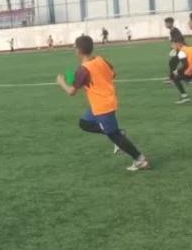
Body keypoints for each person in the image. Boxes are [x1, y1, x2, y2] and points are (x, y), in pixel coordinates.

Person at [56, 35, 150, 171]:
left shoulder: (83, 70)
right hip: (103, 101)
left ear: (79, 51)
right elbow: (112, 74)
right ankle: (118, 133)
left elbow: (71, 92)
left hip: (102, 106)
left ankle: (140, 160)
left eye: (75, 48)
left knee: (114, 135)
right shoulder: (100, 60)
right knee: (84, 123)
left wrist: (61, 82)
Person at [169, 37, 192, 104]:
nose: (171, 46)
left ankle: (185, 97)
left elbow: (185, 64)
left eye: (173, 44)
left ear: (178, 44)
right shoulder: (189, 48)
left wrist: (177, 71)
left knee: (176, 78)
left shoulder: (181, 52)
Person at [165, 17, 185, 84]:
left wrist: (175, 49)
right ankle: (172, 77)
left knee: (185, 64)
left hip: (181, 50)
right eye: (165, 23)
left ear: (171, 23)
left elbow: (179, 40)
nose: (165, 25)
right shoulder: (172, 31)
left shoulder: (175, 31)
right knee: (172, 63)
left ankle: (191, 77)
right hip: (179, 50)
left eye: (167, 23)